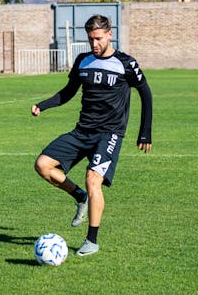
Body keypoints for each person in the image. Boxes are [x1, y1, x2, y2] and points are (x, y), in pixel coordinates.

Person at [31, 14, 152, 257]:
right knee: (43, 165)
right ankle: (79, 197)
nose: (94, 44)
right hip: (82, 131)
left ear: (109, 34)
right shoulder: (83, 61)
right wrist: (43, 105)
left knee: (92, 178)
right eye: (90, 39)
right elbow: (67, 93)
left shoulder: (126, 63)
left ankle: (91, 240)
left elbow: (145, 93)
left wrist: (144, 133)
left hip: (109, 134)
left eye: (98, 38)